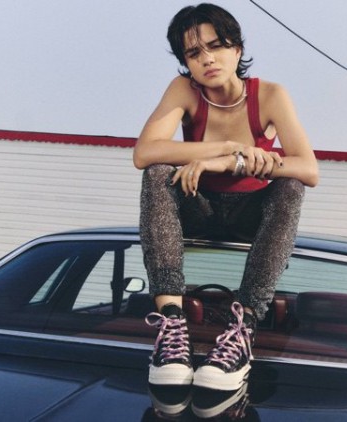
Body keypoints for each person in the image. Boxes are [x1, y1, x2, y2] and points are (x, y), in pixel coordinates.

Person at [134, 3, 318, 391]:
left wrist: (225, 163)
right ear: (186, 63)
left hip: (253, 215)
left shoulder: (270, 96)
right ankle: (172, 326)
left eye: (216, 46)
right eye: (193, 53)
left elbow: (307, 169)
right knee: (158, 173)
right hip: (198, 208)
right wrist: (229, 147)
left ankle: (241, 329)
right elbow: (145, 153)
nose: (207, 59)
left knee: (290, 186)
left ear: (237, 48)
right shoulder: (184, 90)